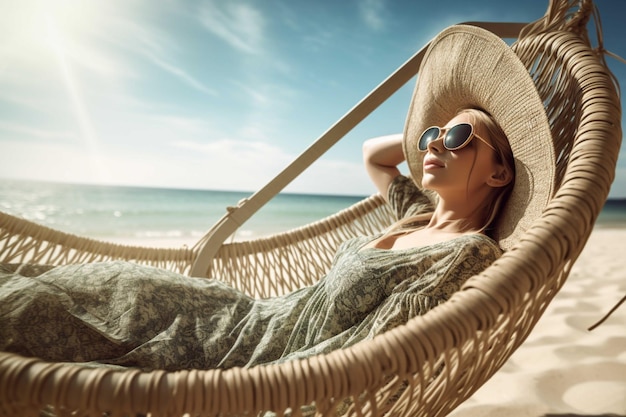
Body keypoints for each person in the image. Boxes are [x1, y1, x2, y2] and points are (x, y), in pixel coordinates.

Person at [0, 25, 555, 371]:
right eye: (434, 136)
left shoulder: (464, 256)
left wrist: (255, 389)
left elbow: (370, 348)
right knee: (88, 284)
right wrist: (427, 139)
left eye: (458, 138)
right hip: (240, 314)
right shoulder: (414, 213)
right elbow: (374, 155)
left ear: (501, 174)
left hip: (257, 358)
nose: (437, 144)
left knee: (37, 311)